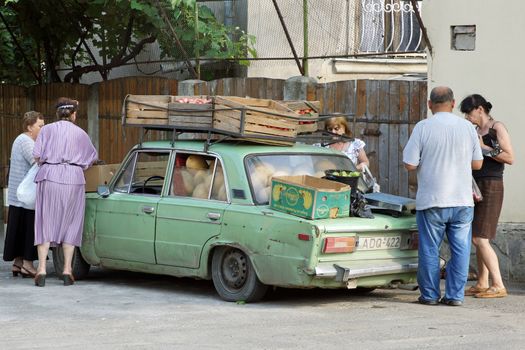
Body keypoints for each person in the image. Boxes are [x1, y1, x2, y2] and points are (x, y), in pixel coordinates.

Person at [403, 86, 483, 306]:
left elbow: (409, 164)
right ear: (453, 103)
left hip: (432, 200)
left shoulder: (423, 127)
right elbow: (477, 163)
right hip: (462, 200)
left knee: (430, 249)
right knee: (461, 250)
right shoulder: (467, 127)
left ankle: (429, 295)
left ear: (430, 104)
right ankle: (455, 296)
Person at [33, 97, 98, 287]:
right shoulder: (80, 133)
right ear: (74, 114)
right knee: (71, 222)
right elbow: (92, 157)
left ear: (57, 113)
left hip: (49, 175)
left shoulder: (46, 130)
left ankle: (42, 269)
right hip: (73, 177)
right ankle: (67, 269)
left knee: (45, 221)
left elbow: (37, 155)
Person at [460, 94, 514, 298]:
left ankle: (498, 284)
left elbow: (509, 157)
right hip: (475, 185)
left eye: (469, 112)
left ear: (480, 109)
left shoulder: (496, 128)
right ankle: (482, 282)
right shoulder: (474, 131)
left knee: (480, 237)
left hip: (492, 184)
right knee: (477, 236)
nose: (467, 117)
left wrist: (484, 149)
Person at [3, 111, 44, 278]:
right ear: (29, 127)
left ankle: (18, 263)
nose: (43, 129)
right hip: (26, 196)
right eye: (40, 126)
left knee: (19, 228)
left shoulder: (22, 139)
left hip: (19, 196)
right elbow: (38, 160)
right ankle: (28, 264)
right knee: (29, 229)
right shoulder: (26, 141)